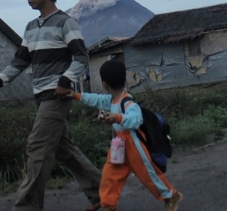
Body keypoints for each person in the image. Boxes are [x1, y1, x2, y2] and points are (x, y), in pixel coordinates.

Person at [0, 0, 101, 211]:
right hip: (40, 93)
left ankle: (27, 206)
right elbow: (20, 61)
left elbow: (81, 57)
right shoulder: (31, 28)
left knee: (37, 145)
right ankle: (102, 193)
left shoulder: (66, 22)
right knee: (62, 148)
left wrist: (65, 81)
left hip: (57, 94)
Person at [64, 59, 184, 211]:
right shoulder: (112, 100)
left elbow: (136, 120)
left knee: (149, 176)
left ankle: (171, 196)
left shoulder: (127, 102)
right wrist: (76, 96)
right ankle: (108, 204)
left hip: (134, 146)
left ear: (104, 83)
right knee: (110, 176)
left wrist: (117, 118)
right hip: (118, 145)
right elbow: (96, 99)